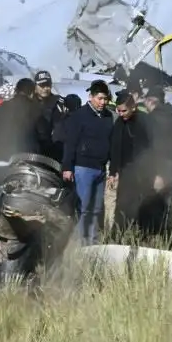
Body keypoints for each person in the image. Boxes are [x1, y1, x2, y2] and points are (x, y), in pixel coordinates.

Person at [60, 81, 115, 244]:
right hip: (83, 167)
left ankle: (93, 243)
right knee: (84, 208)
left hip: (100, 169)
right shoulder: (79, 116)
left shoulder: (108, 117)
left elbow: (110, 142)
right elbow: (70, 142)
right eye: (99, 98)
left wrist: (111, 169)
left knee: (97, 209)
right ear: (90, 97)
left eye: (105, 99)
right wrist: (67, 167)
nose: (103, 102)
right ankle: (79, 244)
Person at [107, 90, 154, 236]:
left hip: (144, 171)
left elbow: (153, 146)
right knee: (122, 205)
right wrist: (113, 172)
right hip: (126, 171)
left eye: (124, 111)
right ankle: (117, 235)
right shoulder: (119, 123)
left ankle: (142, 236)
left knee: (142, 206)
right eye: (118, 110)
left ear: (133, 107)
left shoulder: (145, 121)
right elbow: (115, 149)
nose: (121, 114)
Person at [139, 84, 172, 234]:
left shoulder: (154, 120)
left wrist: (157, 173)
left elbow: (156, 148)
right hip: (169, 169)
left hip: (156, 170)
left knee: (151, 208)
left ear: (151, 101)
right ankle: (169, 238)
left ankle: (149, 239)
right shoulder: (171, 119)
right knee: (167, 207)